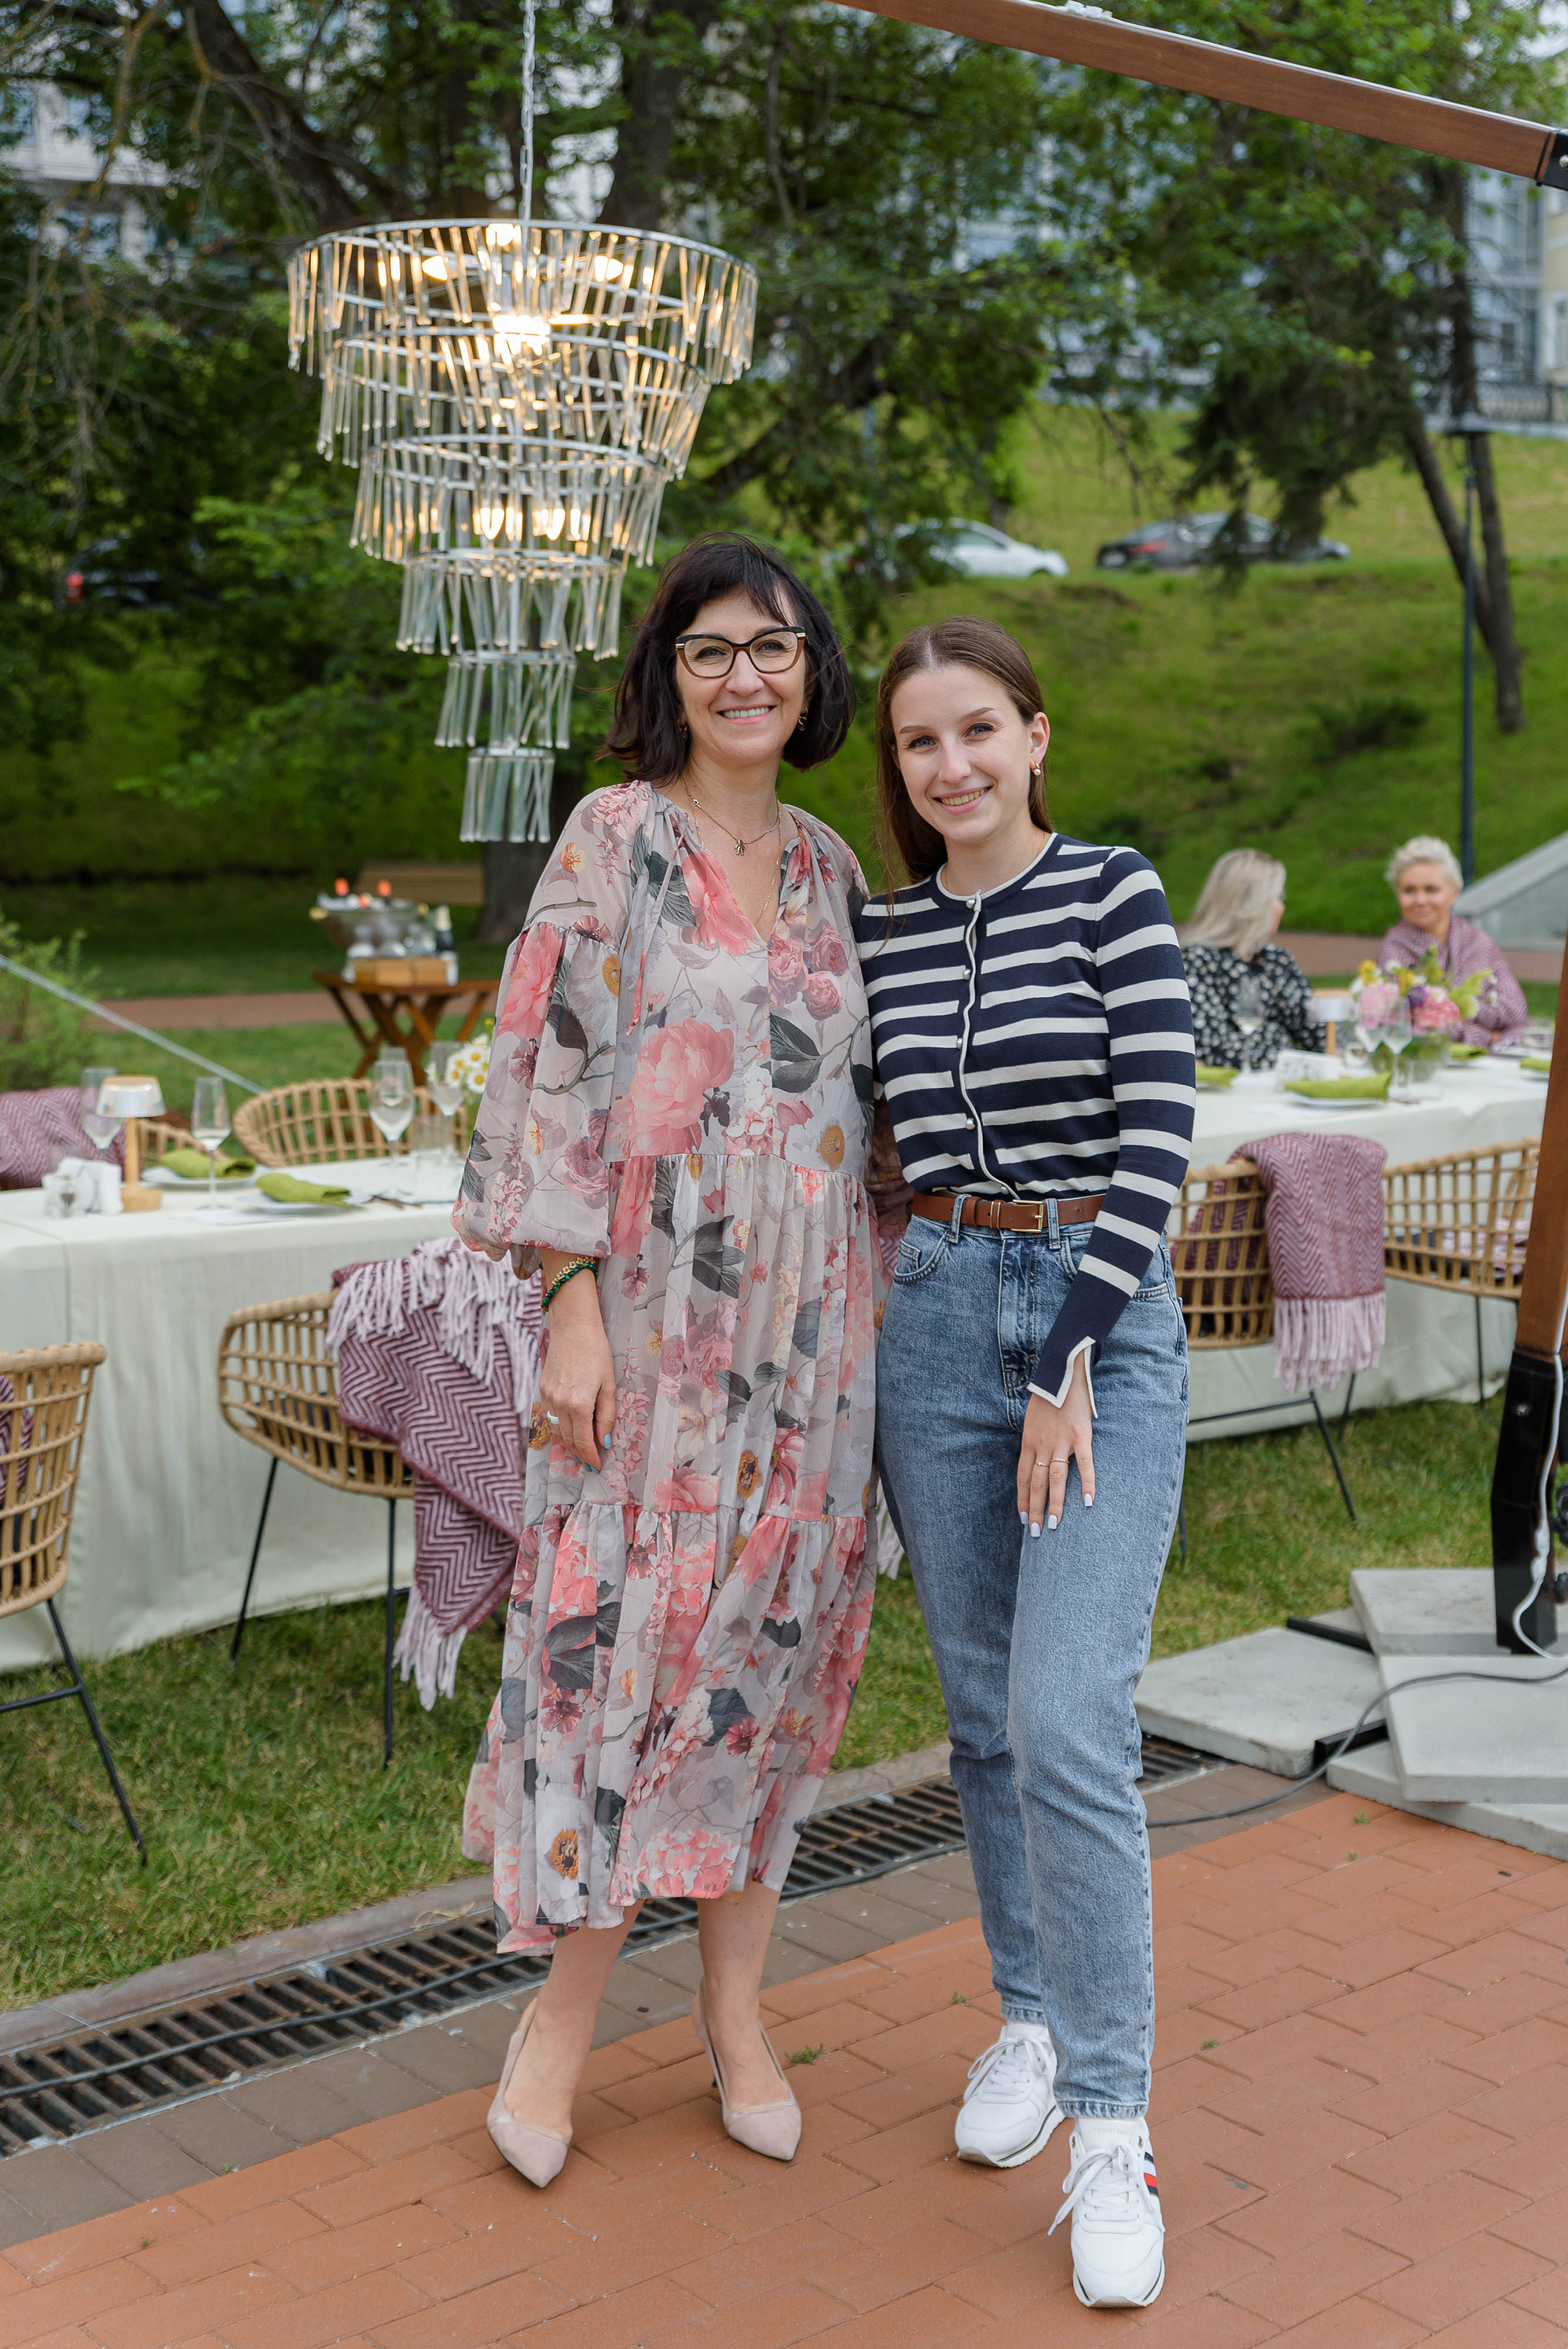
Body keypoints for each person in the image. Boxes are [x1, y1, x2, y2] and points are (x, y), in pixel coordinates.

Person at [454, 533, 879, 2185]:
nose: (743, 675)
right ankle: (557, 2025)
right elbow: (546, 1078)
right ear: (668, 676)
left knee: (765, 1658)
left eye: (772, 645)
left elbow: (873, 1119)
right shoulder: (614, 840)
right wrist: (567, 1302)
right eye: (710, 649)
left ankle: (733, 2016)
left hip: (814, 1344)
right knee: (618, 1659)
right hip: (648, 1334)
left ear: (809, 668)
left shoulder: (835, 868)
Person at [855, 617, 1195, 2313]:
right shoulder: (880, 935)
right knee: (983, 1715)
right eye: (919, 741)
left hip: (1098, 1330)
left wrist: (1063, 1353)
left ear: (1034, 736)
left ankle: (1113, 2129)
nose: (951, 765)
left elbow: (1158, 1139)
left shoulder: (1113, 895)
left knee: (1067, 1715)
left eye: (976, 728)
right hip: (930, 1317)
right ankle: (1031, 2021)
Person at [1380, 834, 1529, 1047]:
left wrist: (1457, 1010)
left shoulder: (1477, 942)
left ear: (1454, 892)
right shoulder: (1394, 952)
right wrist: (1488, 1037)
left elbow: (1516, 1013)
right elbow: (1420, 1028)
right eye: (1409, 891)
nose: (1420, 900)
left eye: (1431, 889)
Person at [1179, 848, 1324, 1068]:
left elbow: (1320, 1032)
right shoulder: (1196, 961)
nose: (1281, 907)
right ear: (1253, 904)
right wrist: (1278, 1037)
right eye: (1277, 898)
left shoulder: (1276, 960)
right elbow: (1213, 1048)